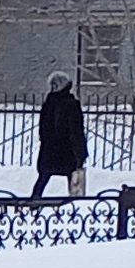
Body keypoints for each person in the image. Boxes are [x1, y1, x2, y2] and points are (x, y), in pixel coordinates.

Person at [35, 71, 91, 200]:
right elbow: (76, 131)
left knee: (44, 177)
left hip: (49, 150)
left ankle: (35, 199)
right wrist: (80, 153)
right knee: (73, 176)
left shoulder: (48, 104)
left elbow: (42, 129)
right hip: (68, 150)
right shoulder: (72, 104)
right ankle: (74, 204)